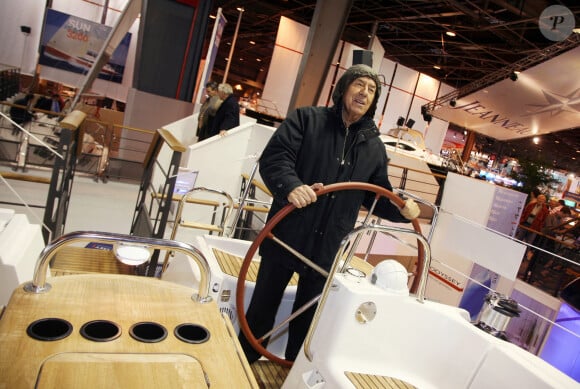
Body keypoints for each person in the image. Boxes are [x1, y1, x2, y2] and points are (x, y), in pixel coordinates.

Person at [238, 64, 421, 363]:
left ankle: (293, 376)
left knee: (307, 324)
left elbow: (377, 194)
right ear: (343, 88)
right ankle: (241, 365)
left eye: (371, 90)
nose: (364, 93)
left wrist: (403, 210)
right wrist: (292, 186)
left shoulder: (374, 148)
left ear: (375, 101)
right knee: (260, 313)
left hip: (325, 250)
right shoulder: (306, 119)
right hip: (286, 235)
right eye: (358, 84)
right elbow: (275, 158)